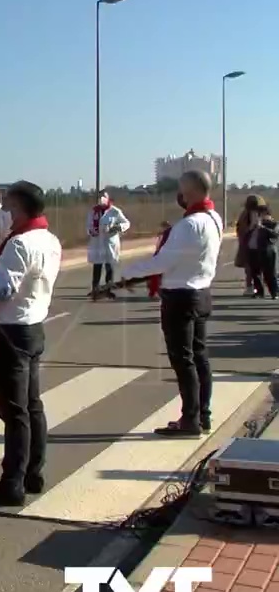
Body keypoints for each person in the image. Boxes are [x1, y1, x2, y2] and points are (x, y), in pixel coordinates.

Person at [0, 182, 61, 507]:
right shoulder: (48, 238)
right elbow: (7, 229)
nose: (4, 213)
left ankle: (12, 483)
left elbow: (3, 290)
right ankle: (33, 471)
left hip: (10, 331)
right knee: (32, 405)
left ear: (20, 210)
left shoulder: (18, 244)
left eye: (8, 208)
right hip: (33, 328)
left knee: (14, 411)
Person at [119, 170, 223, 437]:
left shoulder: (189, 225)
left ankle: (190, 420)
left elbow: (163, 263)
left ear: (192, 192)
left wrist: (128, 272)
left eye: (182, 189)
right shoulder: (214, 218)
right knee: (199, 357)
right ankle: (203, 415)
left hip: (181, 297)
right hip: (200, 293)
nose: (179, 194)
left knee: (184, 360)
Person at [85, 192, 131, 300]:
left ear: (107, 198)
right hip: (97, 242)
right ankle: (95, 289)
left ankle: (108, 290)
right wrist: (91, 231)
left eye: (103, 197)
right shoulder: (93, 211)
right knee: (97, 266)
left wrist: (117, 227)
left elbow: (126, 223)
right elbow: (88, 225)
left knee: (109, 267)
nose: (101, 199)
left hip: (109, 242)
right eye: (99, 197)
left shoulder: (115, 211)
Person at [246, 202, 278, 299]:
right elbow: (246, 236)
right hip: (253, 250)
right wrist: (251, 227)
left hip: (267, 251)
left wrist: (263, 227)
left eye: (261, 214)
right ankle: (259, 292)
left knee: (270, 273)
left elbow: (275, 235)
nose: (259, 216)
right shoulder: (253, 225)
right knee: (255, 273)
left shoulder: (273, 224)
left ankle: (274, 292)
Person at [234, 195, 264, 296]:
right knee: (250, 268)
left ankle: (255, 286)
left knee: (256, 268)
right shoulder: (246, 214)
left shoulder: (259, 214)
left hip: (257, 244)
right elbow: (241, 229)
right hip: (249, 244)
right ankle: (251, 286)